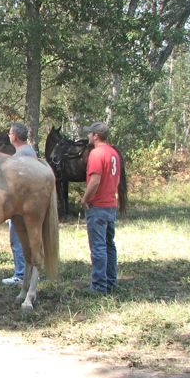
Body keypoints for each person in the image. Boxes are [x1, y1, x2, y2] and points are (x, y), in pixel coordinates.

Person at [0, 122, 38, 285]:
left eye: (10, 133)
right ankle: (28, 273)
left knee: (18, 239)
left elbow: (12, 164)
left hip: (21, 204)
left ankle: (21, 274)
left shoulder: (25, 152)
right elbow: (11, 160)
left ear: (15, 136)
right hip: (24, 202)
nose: (9, 136)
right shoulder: (25, 151)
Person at [81, 121, 121, 294]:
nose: (88, 136)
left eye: (90, 133)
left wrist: (85, 199)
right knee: (109, 245)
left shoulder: (96, 154)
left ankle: (99, 286)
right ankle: (111, 282)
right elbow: (117, 180)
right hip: (111, 205)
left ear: (96, 136)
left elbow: (95, 180)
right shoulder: (114, 153)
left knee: (98, 247)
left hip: (97, 206)